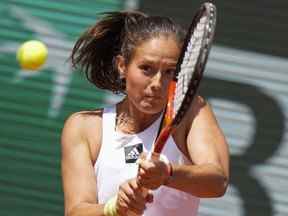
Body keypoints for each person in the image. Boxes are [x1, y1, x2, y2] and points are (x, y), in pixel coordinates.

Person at [61, 10, 229, 216]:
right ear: (122, 66)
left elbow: (217, 181)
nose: (157, 84)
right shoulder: (84, 127)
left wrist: (167, 173)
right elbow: (76, 211)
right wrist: (115, 208)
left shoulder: (192, 112)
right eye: (146, 68)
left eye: (169, 72)